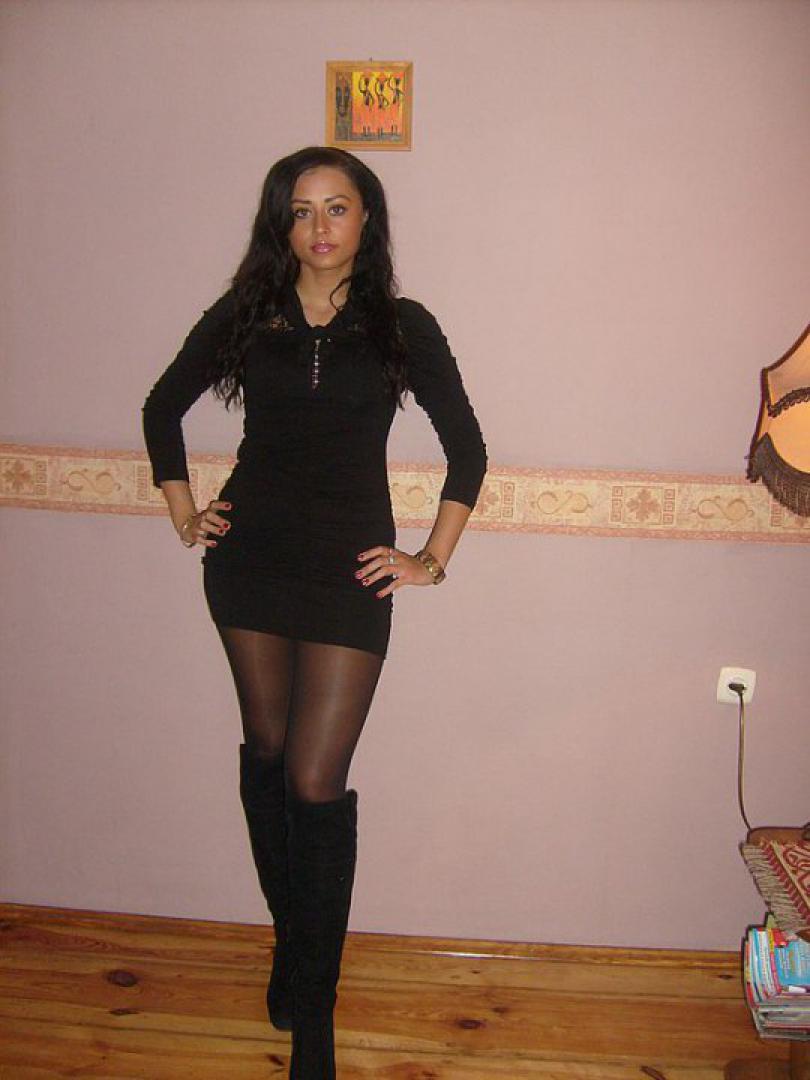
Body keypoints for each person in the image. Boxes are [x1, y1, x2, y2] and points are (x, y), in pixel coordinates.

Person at [142, 146, 486, 1080]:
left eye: (337, 207)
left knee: (314, 780)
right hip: (249, 560)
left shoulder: (403, 325)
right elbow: (161, 407)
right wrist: (186, 511)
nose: (320, 227)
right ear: (281, 224)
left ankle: (315, 1014)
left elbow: (468, 451)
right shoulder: (247, 313)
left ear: (367, 219)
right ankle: (293, 946)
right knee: (266, 752)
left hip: (347, 573)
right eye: (301, 211)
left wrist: (431, 560)